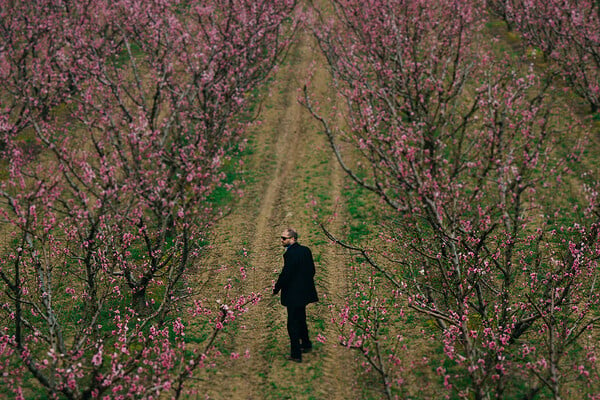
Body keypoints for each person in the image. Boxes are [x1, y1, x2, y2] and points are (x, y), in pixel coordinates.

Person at [273, 228, 318, 363]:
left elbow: (286, 274)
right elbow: (312, 270)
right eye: (281, 238)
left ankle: (296, 354)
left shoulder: (290, 254)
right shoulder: (306, 250)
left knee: (292, 324)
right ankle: (306, 344)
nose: (282, 240)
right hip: (304, 293)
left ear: (293, 239)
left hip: (293, 294)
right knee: (301, 318)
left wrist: (276, 288)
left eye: (284, 238)